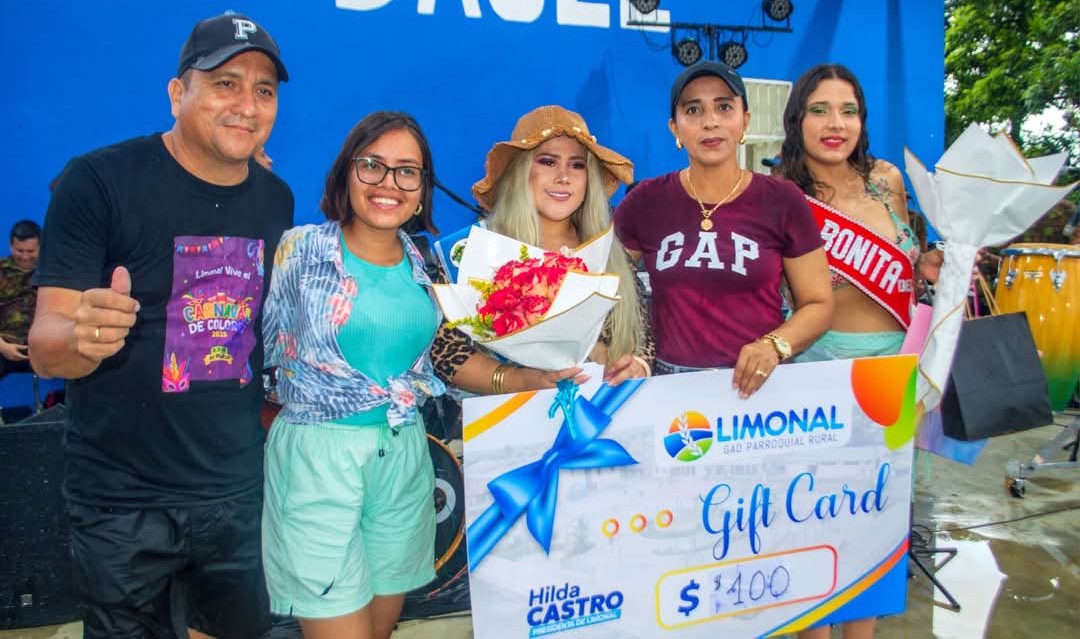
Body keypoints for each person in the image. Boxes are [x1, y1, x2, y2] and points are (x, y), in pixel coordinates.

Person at [29, 12, 294, 639]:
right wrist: (82, 339)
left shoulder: (275, 199)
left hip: (235, 489)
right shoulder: (98, 180)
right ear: (178, 93)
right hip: (122, 499)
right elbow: (45, 346)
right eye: (225, 83)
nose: (247, 104)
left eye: (263, 89)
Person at [261, 111, 445, 639]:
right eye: (372, 166)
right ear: (347, 172)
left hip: (404, 457)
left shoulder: (426, 264)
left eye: (406, 171)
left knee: (379, 630)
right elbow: (257, 345)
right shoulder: (299, 250)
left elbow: (448, 359)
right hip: (319, 461)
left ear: (422, 188)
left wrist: (531, 378)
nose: (389, 183)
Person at [777, 63, 938, 639]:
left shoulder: (885, 179)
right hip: (817, 369)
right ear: (797, 120)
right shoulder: (781, 193)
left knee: (876, 522)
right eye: (819, 110)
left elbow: (904, 263)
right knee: (813, 521)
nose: (835, 124)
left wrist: (928, 265)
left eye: (848, 111)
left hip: (892, 370)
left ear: (862, 120)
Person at [613, 61, 833, 398]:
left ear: (745, 120)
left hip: (759, 391)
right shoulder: (645, 202)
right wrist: (632, 354)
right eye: (693, 110)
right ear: (674, 127)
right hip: (671, 391)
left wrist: (773, 346)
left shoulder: (782, 200)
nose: (710, 121)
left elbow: (819, 304)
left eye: (724, 107)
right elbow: (604, 287)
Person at [431, 105, 654, 395]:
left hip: (603, 410)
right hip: (503, 417)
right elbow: (445, 353)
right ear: (520, 172)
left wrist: (638, 365)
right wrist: (518, 381)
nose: (564, 177)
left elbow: (642, 336)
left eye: (577, 165)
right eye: (548, 162)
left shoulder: (609, 251)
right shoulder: (472, 249)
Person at [0, 220, 41, 380]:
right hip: (5, 345)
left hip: (45, 346)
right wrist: (3, 347)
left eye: (30, 251)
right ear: (11, 246)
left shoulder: (53, 272)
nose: (25, 257)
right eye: (20, 250)